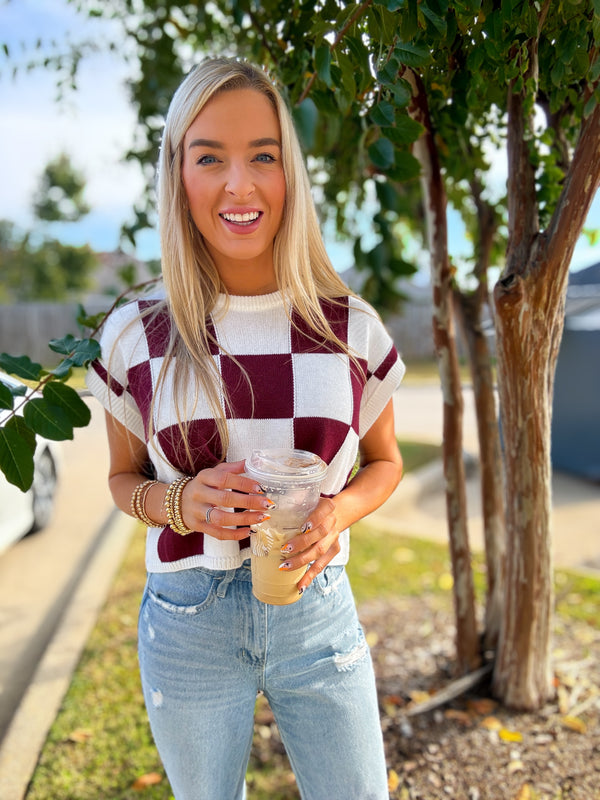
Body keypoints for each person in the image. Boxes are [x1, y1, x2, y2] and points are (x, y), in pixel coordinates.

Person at [86, 56, 405, 800]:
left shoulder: (348, 325)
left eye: (263, 156)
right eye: (210, 159)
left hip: (316, 605)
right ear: (178, 175)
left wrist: (336, 511)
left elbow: (384, 464)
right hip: (188, 621)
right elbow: (120, 480)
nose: (240, 185)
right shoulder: (139, 331)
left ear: (289, 171)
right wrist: (180, 505)